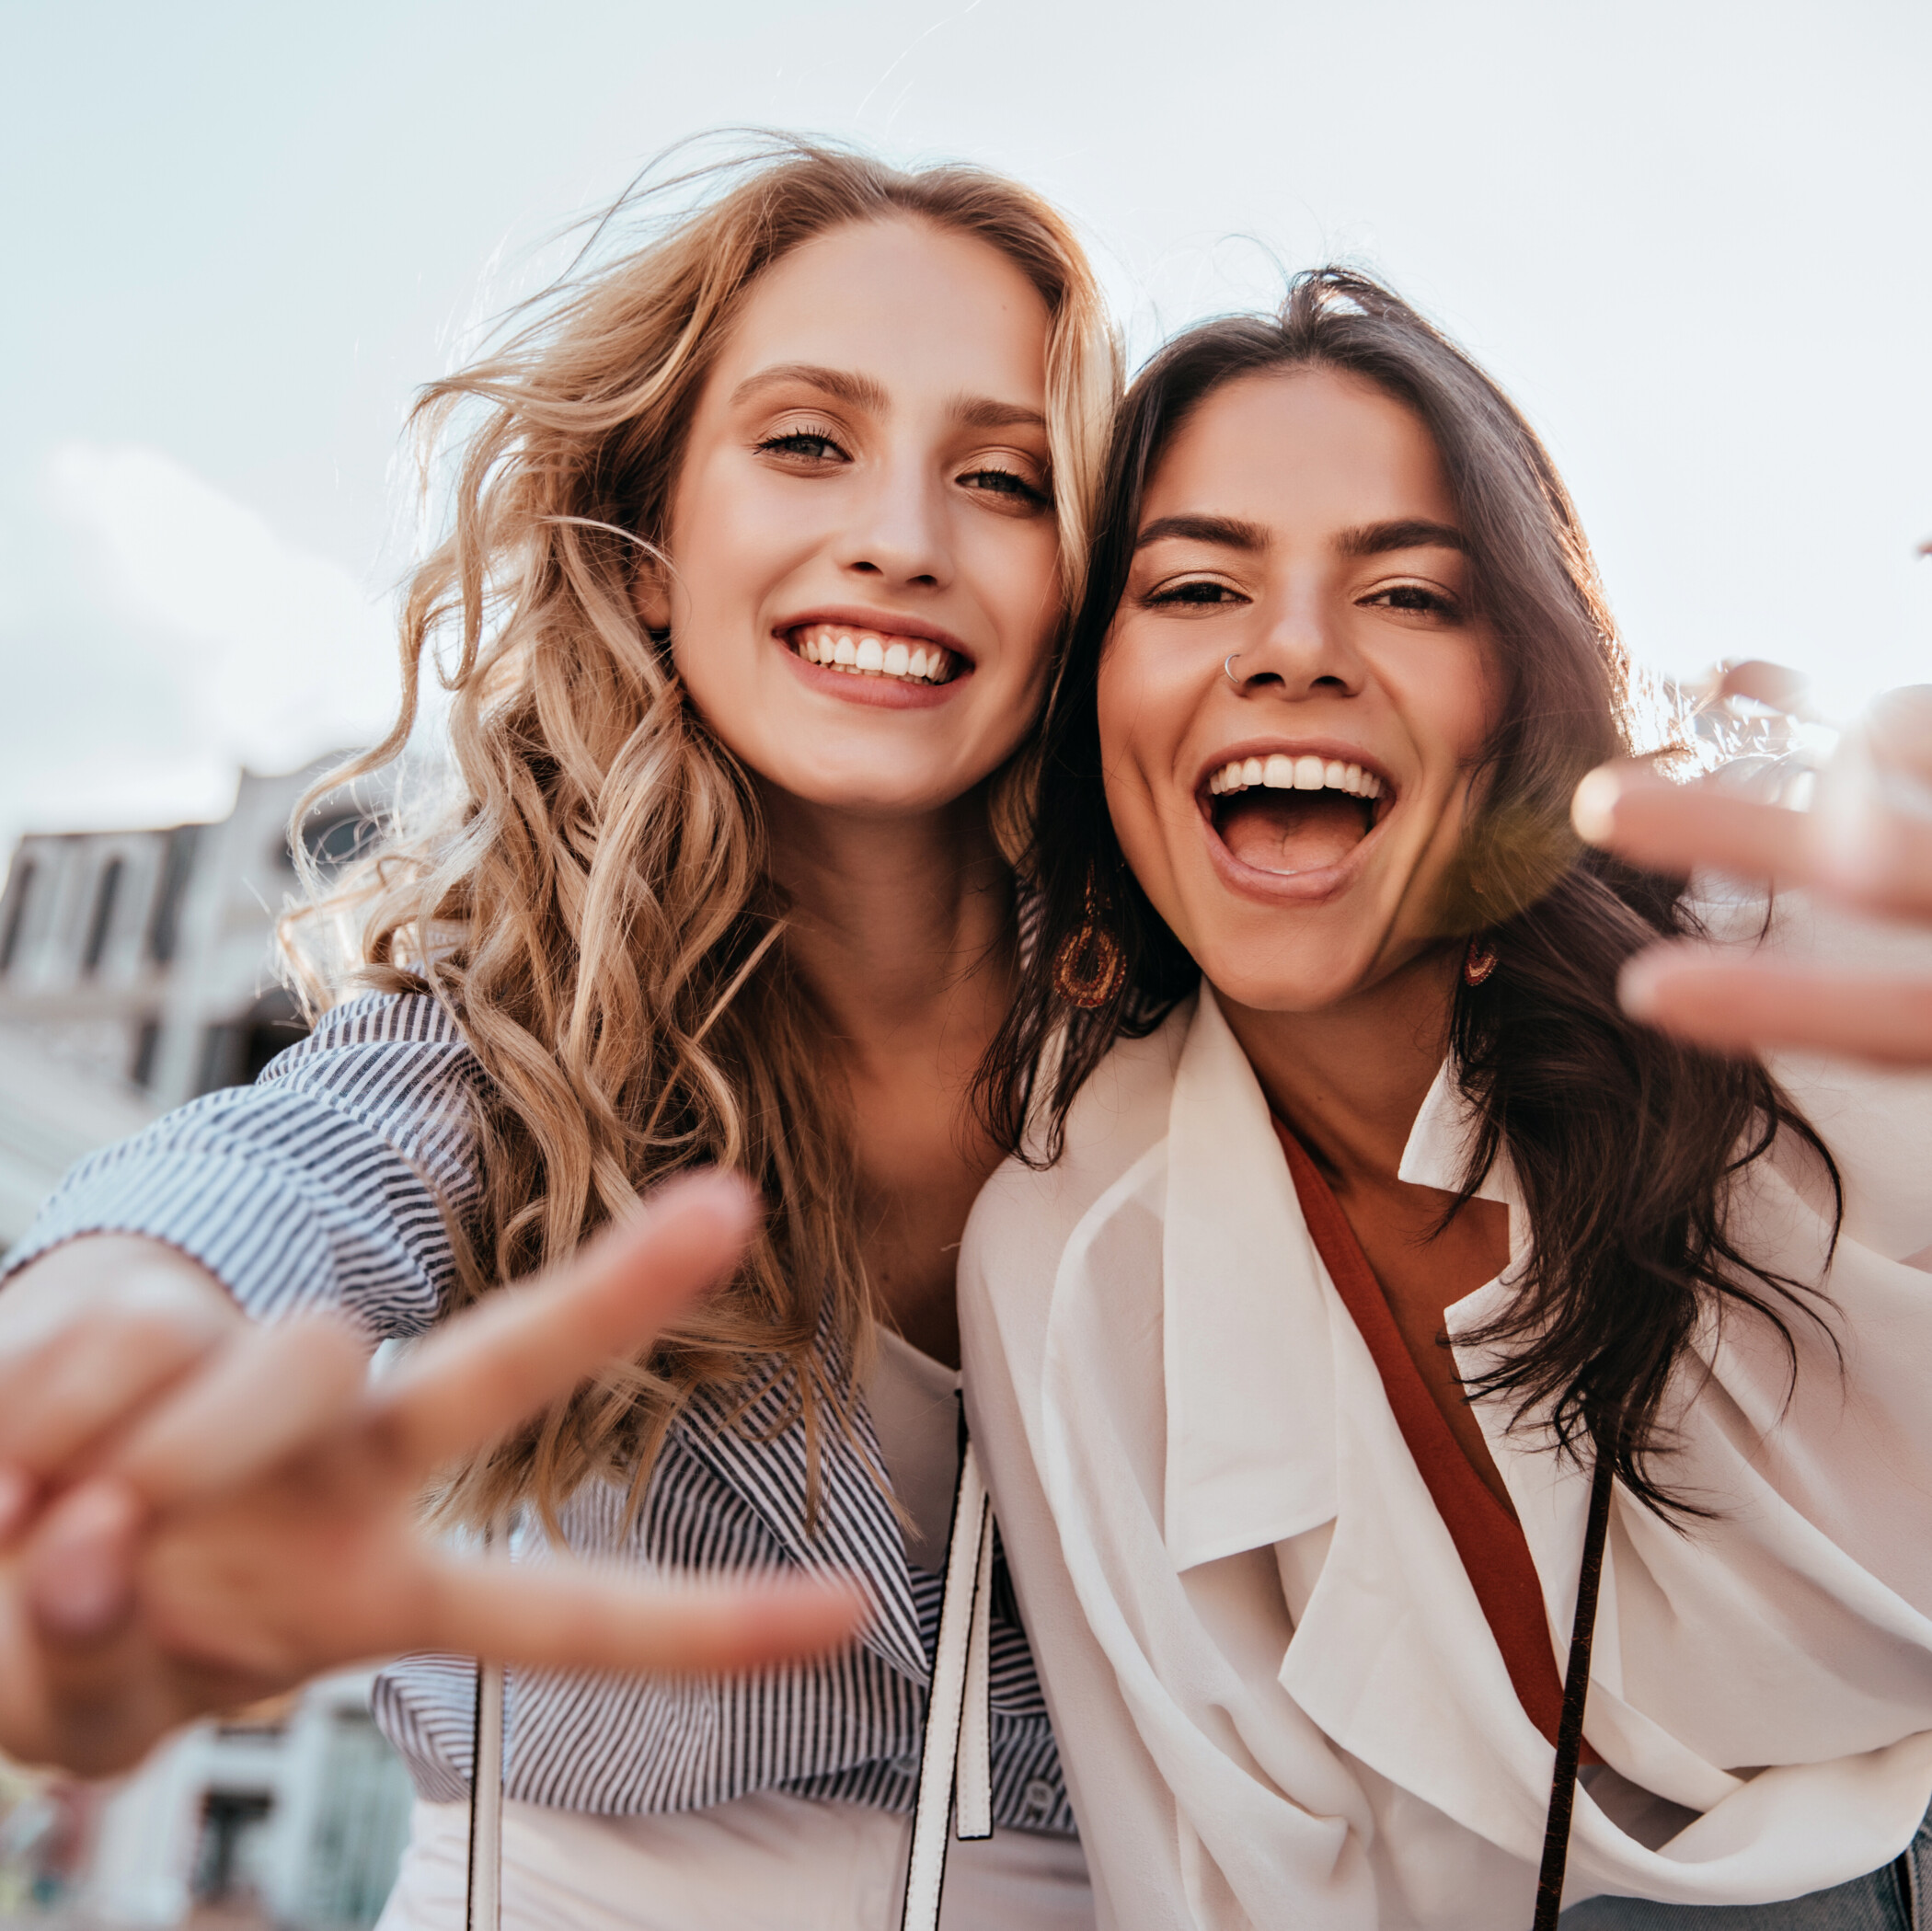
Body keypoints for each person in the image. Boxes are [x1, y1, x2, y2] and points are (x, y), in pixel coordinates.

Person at [0, 138, 1119, 1929]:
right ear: (653, 545)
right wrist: (96, 1364)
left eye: (1002, 478)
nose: (901, 540)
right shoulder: (511, 1028)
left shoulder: (1186, 1051)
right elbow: (281, 1177)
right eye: (808, 442)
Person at [960, 270, 1932, 1927]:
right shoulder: (1068, 1254)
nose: (1291, 654)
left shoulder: (1802, 940)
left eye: (1408, 596)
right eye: (1196, 585)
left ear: (1525, 688)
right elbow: (1215, 1888)